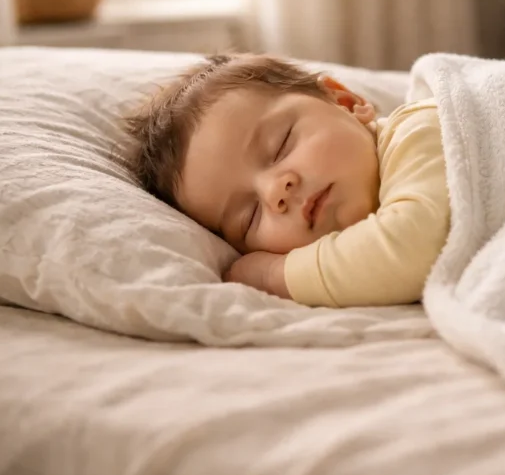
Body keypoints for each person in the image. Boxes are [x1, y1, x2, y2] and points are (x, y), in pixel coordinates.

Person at [119, 53, 449, 308]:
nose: (275, 191)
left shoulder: (423, 128)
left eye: (281, 145)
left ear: (345, 103)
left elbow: (412, 247)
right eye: (248, 217)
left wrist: (273, 275)